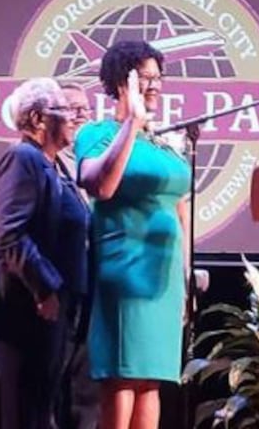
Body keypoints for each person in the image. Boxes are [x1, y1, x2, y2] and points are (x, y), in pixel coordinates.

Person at [74, 40, 191, 429]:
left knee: (151, 382)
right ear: (120, 83)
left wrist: (186, 278)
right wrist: (132, 123)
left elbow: (178, 206)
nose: (155, 85)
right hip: (124, 271)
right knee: (122, 380)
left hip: (165, 278)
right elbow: (101, 185)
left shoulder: (164, 142)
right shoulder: (97, 133)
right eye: (145, 78)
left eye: (158, 78)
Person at [0, 77, 89, 429]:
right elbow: (8, 231)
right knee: (25, 409)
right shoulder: (22, 158)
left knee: (42, 406)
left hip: (54, 308)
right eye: (64, 110)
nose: (72, 118)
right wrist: (44, 288)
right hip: (27, 306)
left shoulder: (53, 164)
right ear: (38, 119)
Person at [56, 82, 101, 429]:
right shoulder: (41, 160)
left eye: (86, 109)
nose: (82, 115)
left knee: (87, 383)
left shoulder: (97, 161)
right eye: (73, 109)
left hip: (95, 281)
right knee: (56, 377)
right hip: (58, 284)